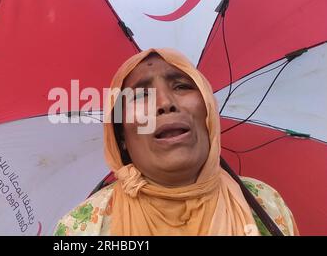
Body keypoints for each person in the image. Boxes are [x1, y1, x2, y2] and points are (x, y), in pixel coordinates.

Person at [54, 48, 299, 236]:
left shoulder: (263, 203)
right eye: (141, 95)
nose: (165, 103)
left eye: (182, 86)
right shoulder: (85, 228)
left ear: (208, 114)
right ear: (121, 137)